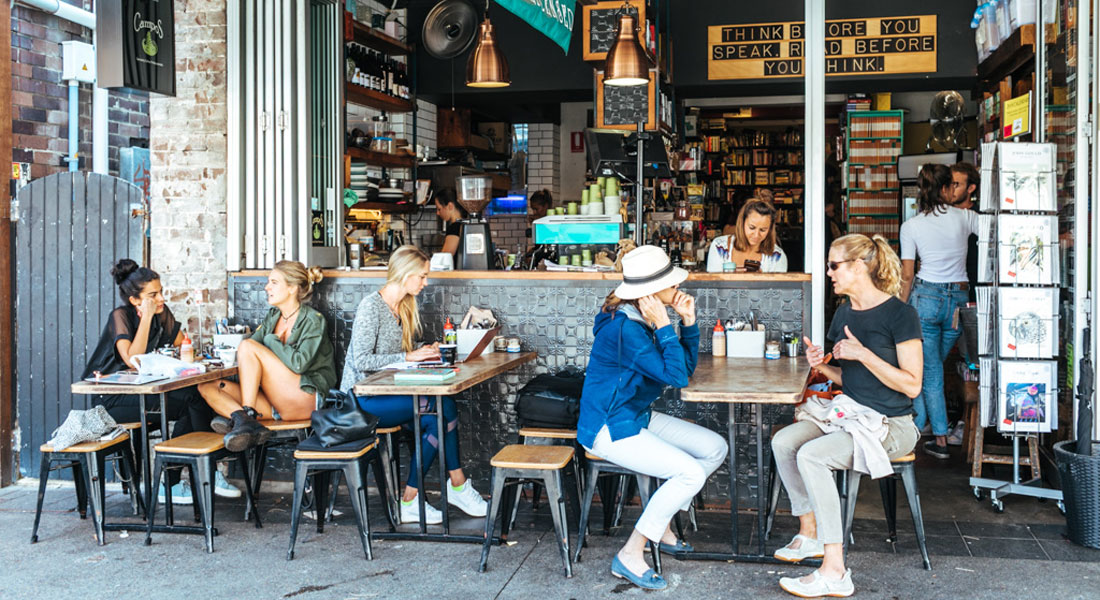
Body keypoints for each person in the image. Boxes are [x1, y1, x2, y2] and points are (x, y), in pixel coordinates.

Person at [772, 234, 923, 598]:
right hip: (850, 414)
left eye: (834, 265)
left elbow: (913, 386)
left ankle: (835, 570)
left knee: (813, 455)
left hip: (892, 424)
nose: (828, 273)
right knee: (784, 442)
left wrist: (864, 354)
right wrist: (822, 367)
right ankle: (809, 532)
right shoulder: (843, 313)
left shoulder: (901, 315)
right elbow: (850, 379)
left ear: (858, 267)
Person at [578, 245, 728, 591]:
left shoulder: (639, 319)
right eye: (669, 283)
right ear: (648, 293)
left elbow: (683, 371)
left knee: (714, 448)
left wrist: (687, 322)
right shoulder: (625, 329)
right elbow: (676, 377)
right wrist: (664, 325)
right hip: (609, 426)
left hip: (634, 415)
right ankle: (631, 552)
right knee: (689, 473)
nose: (677, 287)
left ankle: (659, 521)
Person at [339, 246, 487, 524]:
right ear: (404, 274)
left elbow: (399, 350)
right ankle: (449, 489)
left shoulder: (404, 307)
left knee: (441, 410)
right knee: (440, 407)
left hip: (391, 393)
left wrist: (426, 349)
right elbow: (361, 360)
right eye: (421, 276)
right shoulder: (371, 306)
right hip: (363, 399)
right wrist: (408, 356)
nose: (426, 282)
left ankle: (425, 495)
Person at [81, 259, 238, 504]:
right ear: (135, 300)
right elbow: (133, 360)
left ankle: (200, 475)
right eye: (153, 294)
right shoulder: (120, 316)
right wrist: (145, 318)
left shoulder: (162, 315)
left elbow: (184, 347)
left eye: (161, 291)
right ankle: (179, 482)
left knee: (198, 398)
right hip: (111, 400)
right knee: (192, 402)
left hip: (143, 392)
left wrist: (190, 356)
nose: (161, 298)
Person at [198, 261, 336, 452]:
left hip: (306, 398)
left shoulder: (313, 320)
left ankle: (244, 417)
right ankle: (246, 421)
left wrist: (272, 340)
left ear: (292, 288)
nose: (266, 287)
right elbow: (250, 353)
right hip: (276, 401)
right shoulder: (273, 316)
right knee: (208, 387)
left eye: (274, 282)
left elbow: (298, 364)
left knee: (247, 345)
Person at [898, 163, 980, 459]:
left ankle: (938, 437)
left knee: (928, 371)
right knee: (929, 368)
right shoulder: (966, 217)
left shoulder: (911, 226)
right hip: (959, 300)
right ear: (948, 188)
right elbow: (998, 234)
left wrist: (899, 308)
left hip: (926, 299)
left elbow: (907, 275)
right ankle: (921, 423)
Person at [706, 198, 788, 273]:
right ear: (742, 223)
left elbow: (777, 288)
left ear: (770, 230)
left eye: (763, 230)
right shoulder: (719, 247)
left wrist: (762, 280)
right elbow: (713, 285)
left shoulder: (777, 256)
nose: (756, 235)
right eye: (752, 228)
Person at [950, 161, 981, 302]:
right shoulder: (942, 215)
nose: (952, 189)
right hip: (947, 288)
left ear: (971, 188)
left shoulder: (981, 217)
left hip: (975, 288)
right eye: (950, 183)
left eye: (957, 184)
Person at [434, 188, 467, 257]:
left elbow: (446, 257)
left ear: (450, 206)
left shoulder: (454, 228)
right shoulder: (466, 224)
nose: (437, 213)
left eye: (439, 209)